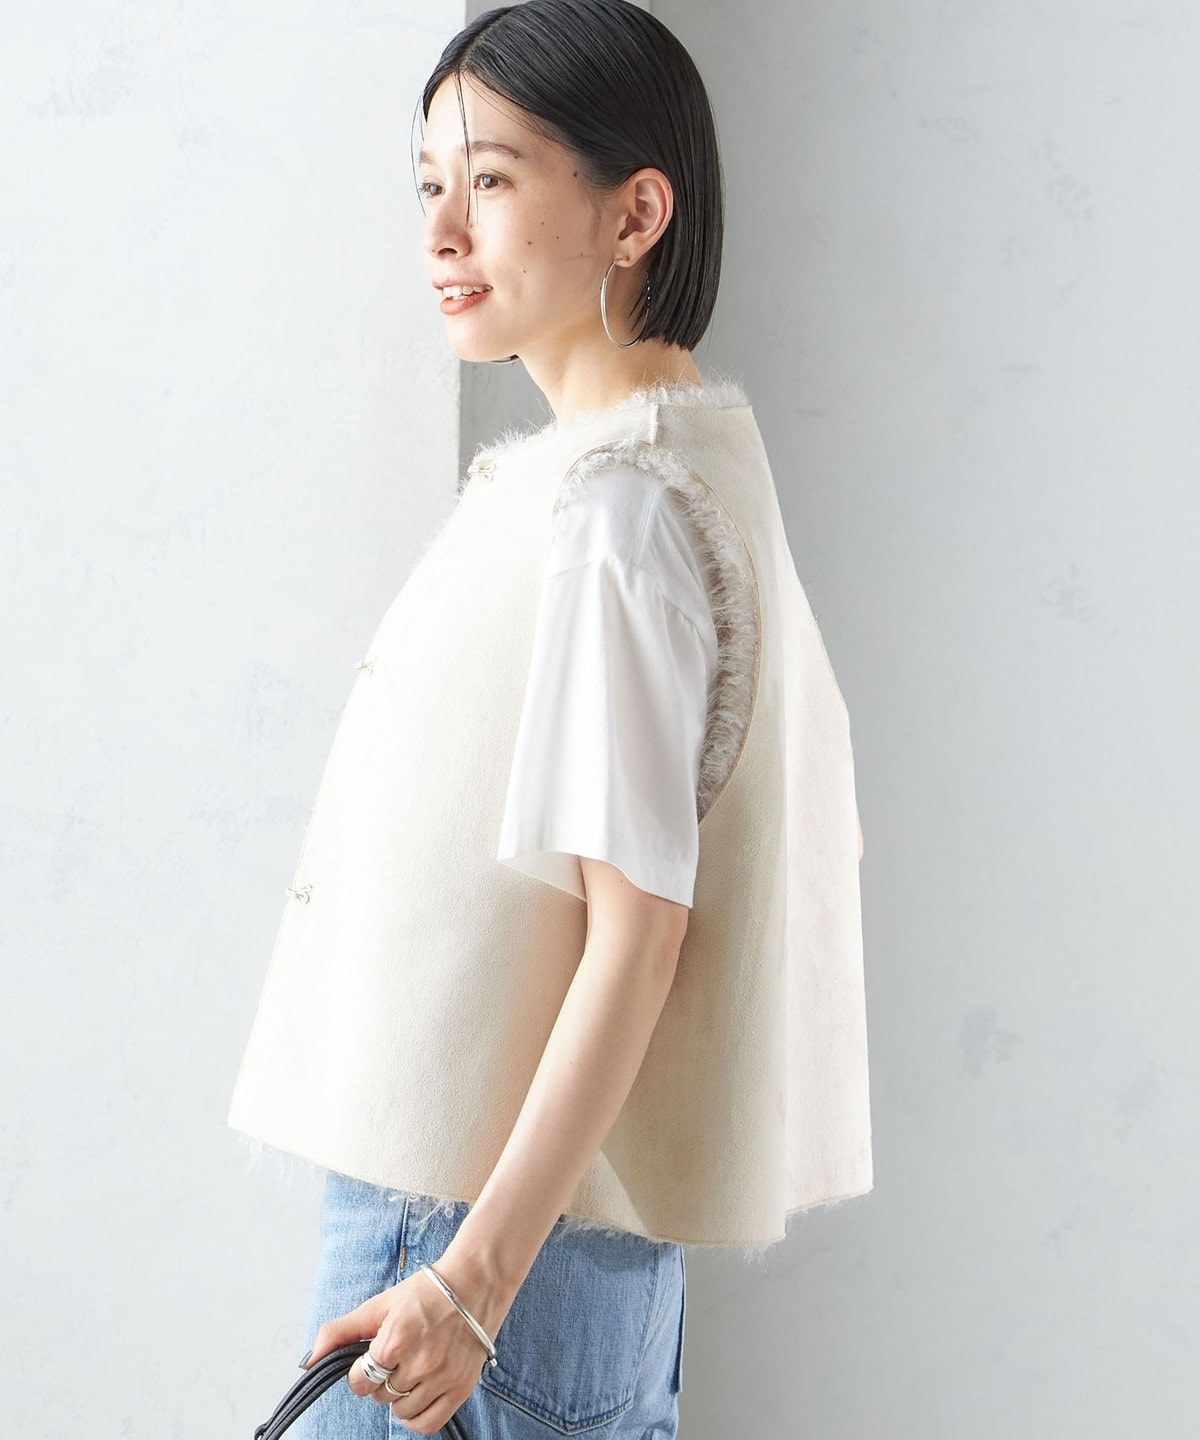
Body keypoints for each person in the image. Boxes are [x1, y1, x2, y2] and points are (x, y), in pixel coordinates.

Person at [226, 2, 873, 1436]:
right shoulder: (683, 464)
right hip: (553, 1246)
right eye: (429, 185)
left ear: (635, 213)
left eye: (493, 178)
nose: (442, 231)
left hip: (470, 1237)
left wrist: (469, 1282)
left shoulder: (617, 508)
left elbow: (640, 934)